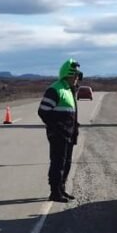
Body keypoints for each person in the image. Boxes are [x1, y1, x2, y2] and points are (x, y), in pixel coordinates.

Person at [38, 59, 81, 202]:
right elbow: (43, 111)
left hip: (69, 134)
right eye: (74, 75)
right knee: (58, 163)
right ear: (66, 75)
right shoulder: (55, 89)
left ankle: (61, 189)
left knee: (66, 163)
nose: (76, 78)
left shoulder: (68, 90)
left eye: (77, 75)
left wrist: (74, 127)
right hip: (59, 134)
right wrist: (58, 128)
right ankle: (55, 192)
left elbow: (70, 113)